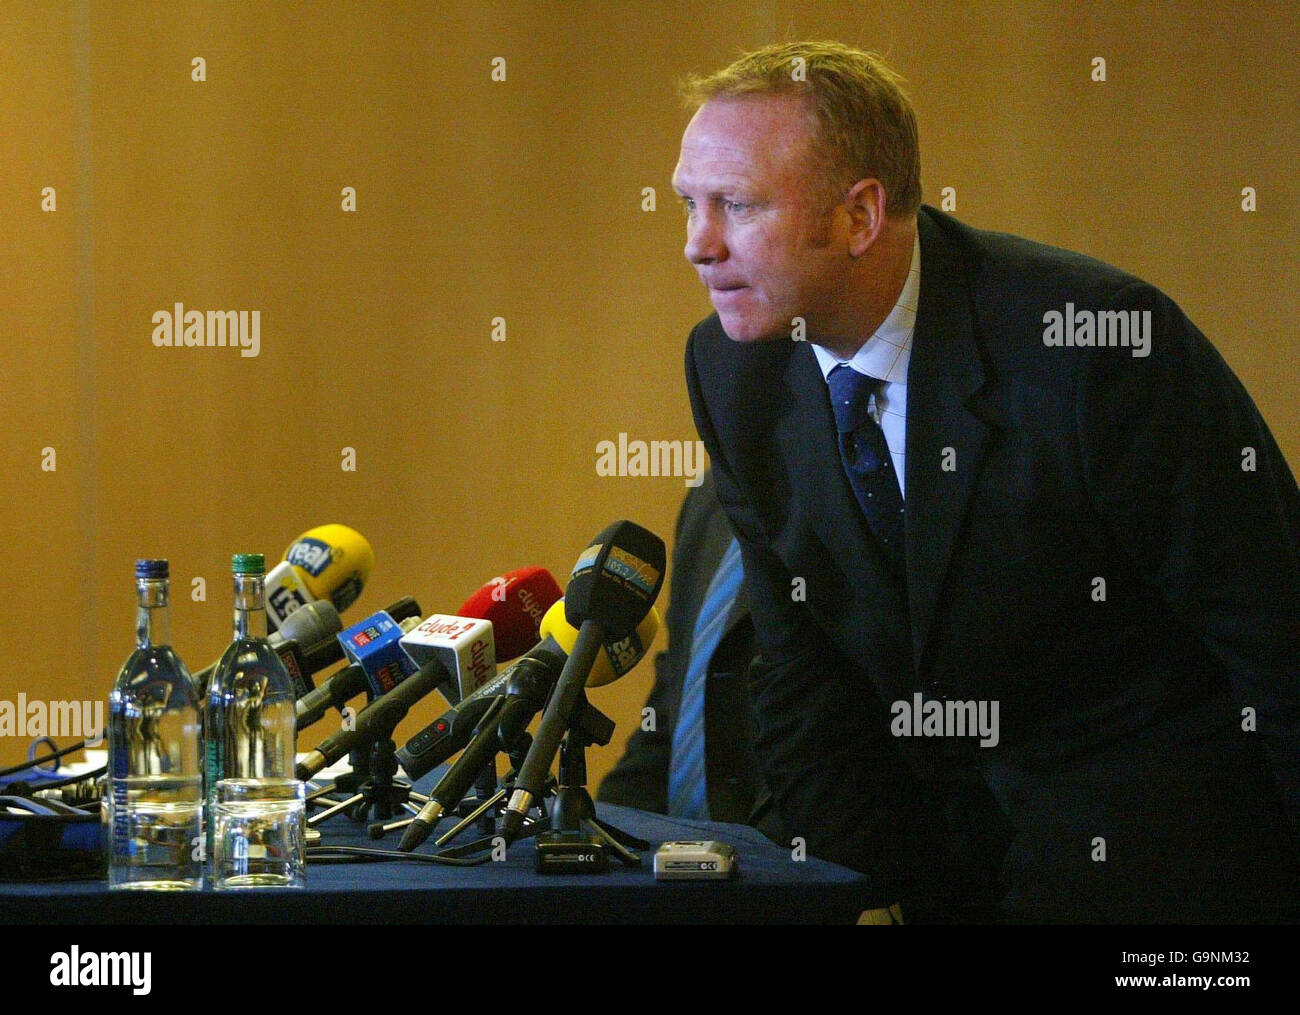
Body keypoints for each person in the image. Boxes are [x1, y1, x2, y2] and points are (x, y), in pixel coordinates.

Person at [674, 40, 1300, 923]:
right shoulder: (730, 368)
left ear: (859, 217)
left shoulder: (1096, 345)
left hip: (1160, 861)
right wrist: (864, 889)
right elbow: (802, 671)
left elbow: (1276, 637)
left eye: (735, 206)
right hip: (947, 862)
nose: (698, 246)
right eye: (689, 205)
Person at [599, 470, 787, 845]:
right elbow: (676, 708)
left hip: (776, 869)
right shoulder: (711, 495)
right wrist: (599, 832)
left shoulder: (845, 505)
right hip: (678, 873)